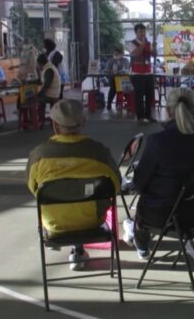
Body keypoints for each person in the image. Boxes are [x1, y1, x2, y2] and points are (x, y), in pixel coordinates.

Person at [127, 88, 194, 258]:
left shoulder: (157, 142)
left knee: (143, 205)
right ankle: (137, 234)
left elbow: (139, 183)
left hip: (161, 215)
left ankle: (141, 245)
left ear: (168, 111)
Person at [26, 99, 120, 271]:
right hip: (92, 221)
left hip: (54, 222)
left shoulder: (38, 155)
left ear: (54, 125)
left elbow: (33, 188)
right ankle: (78, 249)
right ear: (83, 122)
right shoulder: (99, 152)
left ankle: (75, 249)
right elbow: (116, 186)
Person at [128, 23, 155, 122]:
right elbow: (136, 53)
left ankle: (148, 115)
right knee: (139, 96)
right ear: (136, 32)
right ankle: (140, 117)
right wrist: (143, 44)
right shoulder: (131, 43)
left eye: (144, 31)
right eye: (140, 31)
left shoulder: (148, 43)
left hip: (148, 72)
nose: (143, 33)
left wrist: (153, 48)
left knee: (149, 95)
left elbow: (154, 54)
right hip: (136, 74)